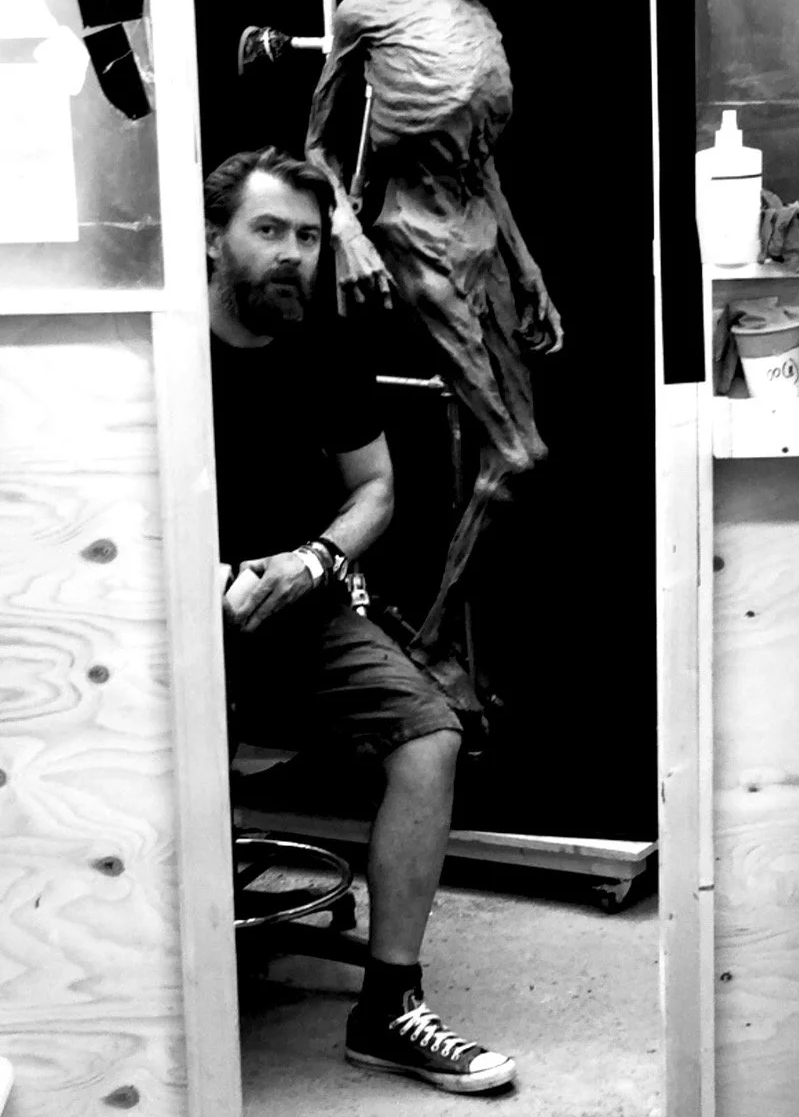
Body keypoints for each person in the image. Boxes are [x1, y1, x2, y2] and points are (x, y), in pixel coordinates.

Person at [206, 144, 517, 1095]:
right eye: (268, 231)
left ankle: (387, 1007)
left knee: (429, 736)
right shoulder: (156, 346)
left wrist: (314, 560)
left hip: (297, 602)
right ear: (212, 239)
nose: (292, 254)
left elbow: (375, 488)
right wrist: (200, 577)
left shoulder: (325, 345)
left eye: (307, 237)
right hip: (166, 609)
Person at [305, 0, 563, 650]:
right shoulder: (368, 12)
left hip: (481, 238)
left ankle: (446, 651)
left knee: (521, 455)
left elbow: (481, 162)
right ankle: (435, 647)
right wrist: (346, 229)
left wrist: (528, 270)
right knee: (515, 456)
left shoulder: (478, 17)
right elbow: (315, 146)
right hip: (416, 242)